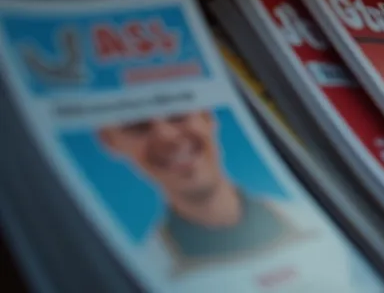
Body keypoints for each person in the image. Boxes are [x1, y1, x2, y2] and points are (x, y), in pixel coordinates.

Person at [97, 110, 321, 277]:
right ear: (110, 142)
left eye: (177, 113)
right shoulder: (145, 271)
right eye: (138, 126)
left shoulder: (317, 221)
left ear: (206, 116)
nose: (167, 135)